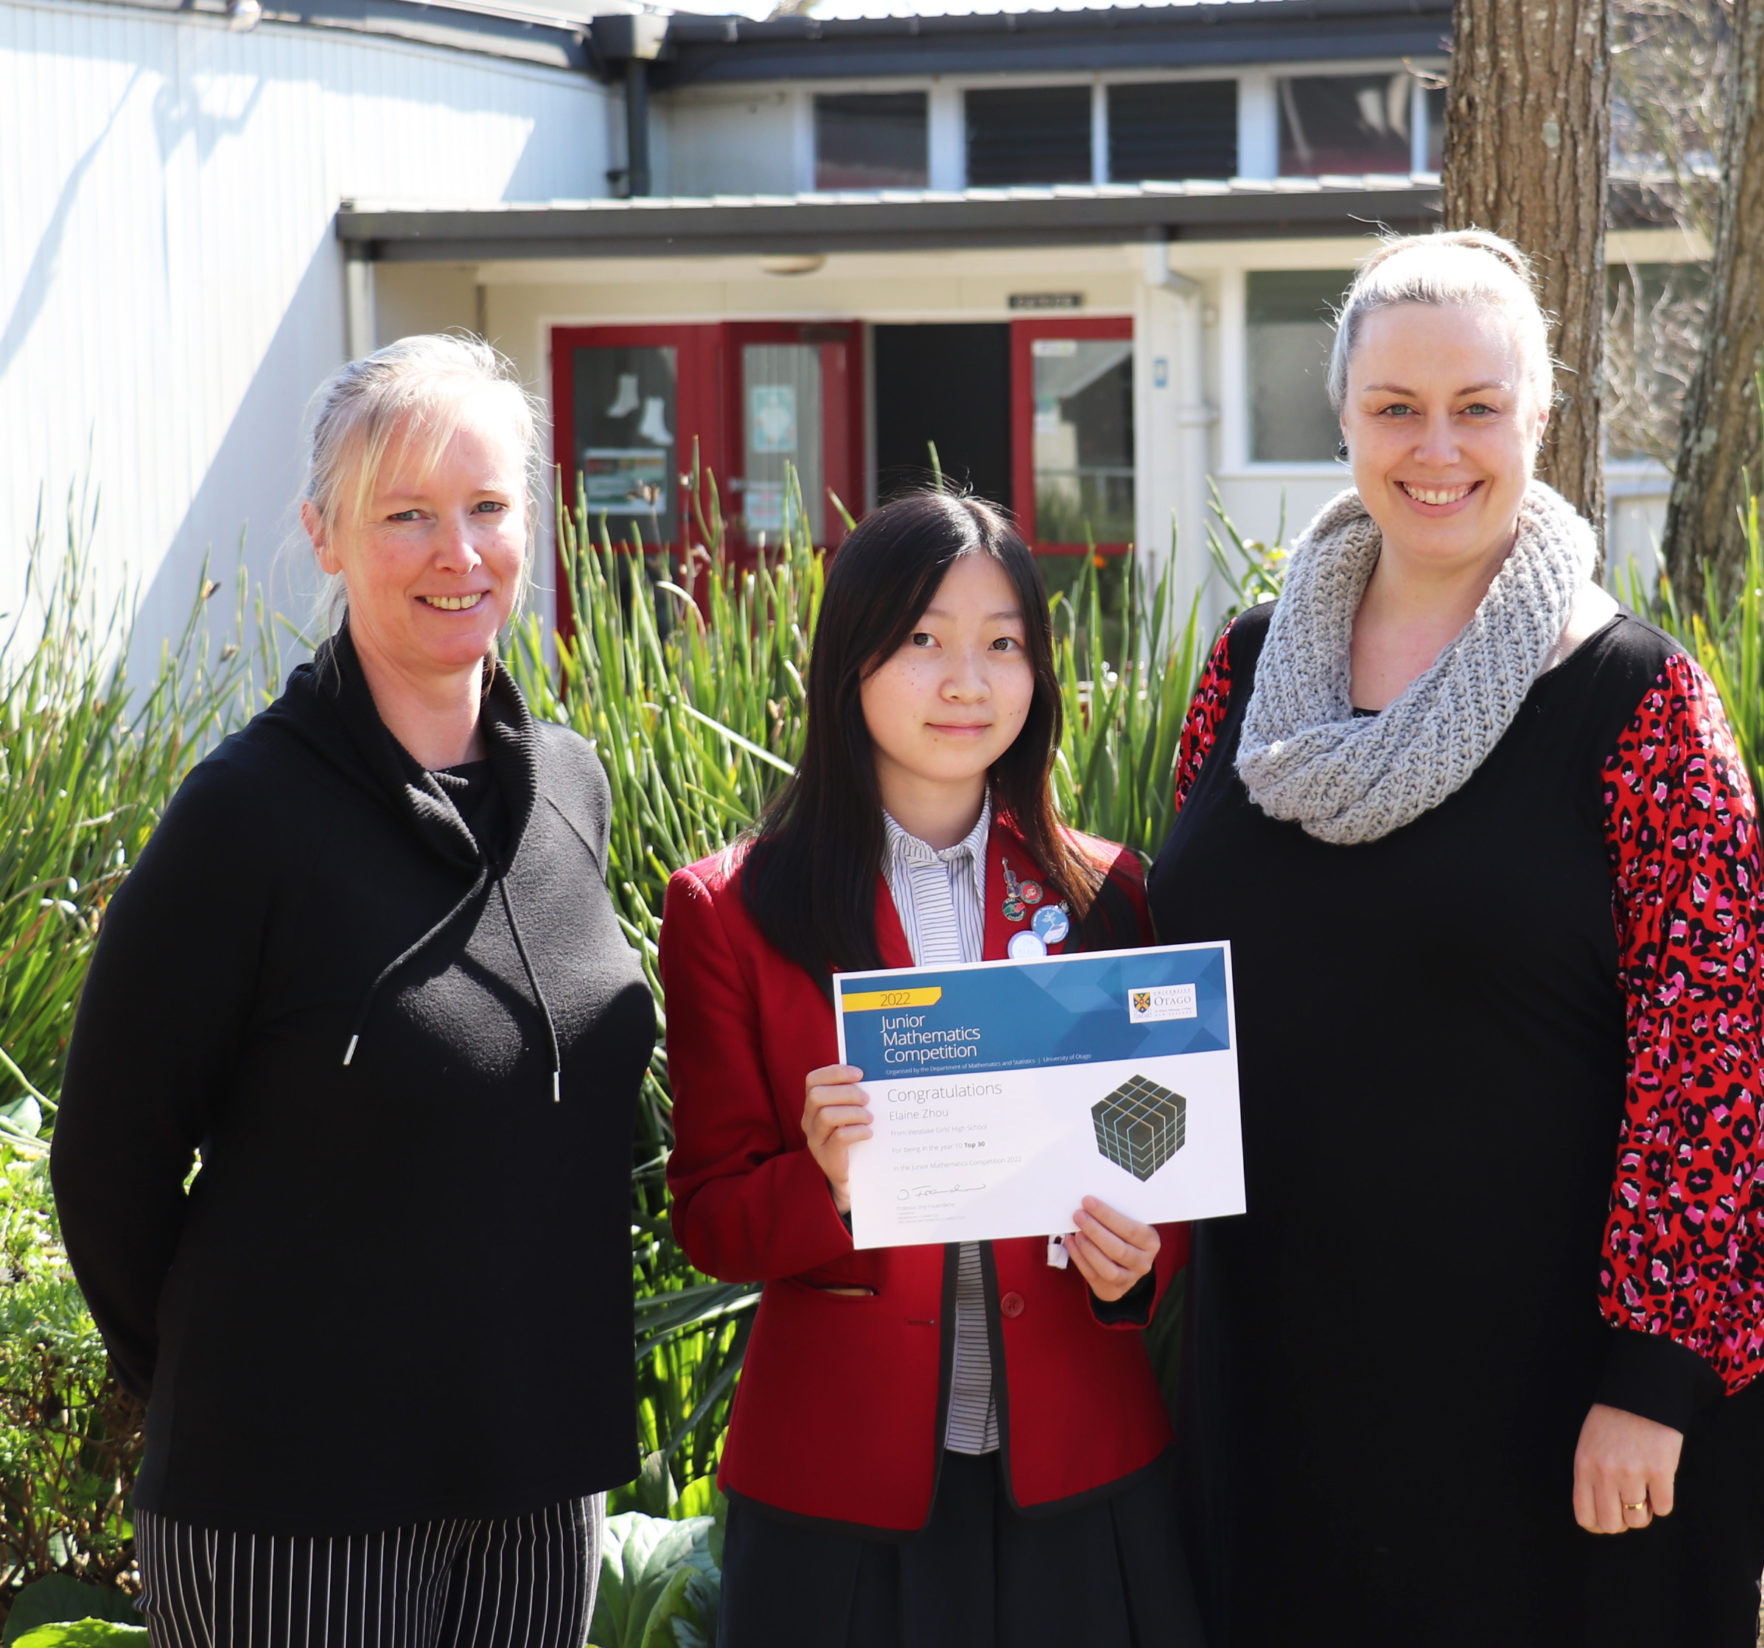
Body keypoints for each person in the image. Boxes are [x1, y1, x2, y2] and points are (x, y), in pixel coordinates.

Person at [1147, 229, 1764, 1645]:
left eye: (1476, 407)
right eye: (1396, 407)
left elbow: (1717, 1071)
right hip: (1279, 1386)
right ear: (1344, 417)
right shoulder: (1248, 676)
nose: (1436, 448)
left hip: (1550, 1414)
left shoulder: (1639, 703)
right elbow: (1178, 987)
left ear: (1538, 419)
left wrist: (1654, 1382)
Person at [50, 334, 656, 1647]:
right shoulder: (245, 819)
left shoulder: (570, 789)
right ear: (325, 536)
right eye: (407, 515)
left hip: (538, 1482)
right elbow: (105, 1163)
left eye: (487, 506)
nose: (460, 552)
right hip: (294, 1500)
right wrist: (228, 1385)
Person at [658, 490, 1200, 1648]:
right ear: (849, 657)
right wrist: (827, 1180)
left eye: (1003, 643)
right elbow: (708, 1217)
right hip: (836, 1488)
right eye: (922, 639)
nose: (968, 681)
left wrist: (1138, 1265)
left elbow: (1168, 1169)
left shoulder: (1110, 895)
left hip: (1081, 1466)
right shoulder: (731, 911)